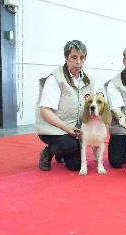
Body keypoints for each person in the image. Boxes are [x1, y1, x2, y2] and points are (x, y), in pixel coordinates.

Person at [35, 40, 96, 171]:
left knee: (76, 166)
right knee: (69, 145)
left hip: (74, 128)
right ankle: (48, 151)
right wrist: (65, 127)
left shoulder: (90, 80)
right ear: (66, 58)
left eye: (82, 57)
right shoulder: (55, 78)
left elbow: (92, 105)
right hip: (52, 127)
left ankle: (61, 152)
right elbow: (45, 110)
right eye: (74, 57)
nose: (78, 62)